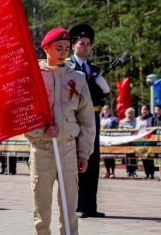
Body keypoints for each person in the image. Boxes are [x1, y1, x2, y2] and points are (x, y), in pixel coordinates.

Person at [25, 28, 95, 235]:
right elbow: (22, 114)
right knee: (42, 207)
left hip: (67, 149)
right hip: (42, 149)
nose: (63, 52)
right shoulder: (33, 76)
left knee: (69, 206)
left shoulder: (78, 78)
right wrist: (40, 132)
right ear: (45, 48)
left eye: (66, 48)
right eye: (58, 48)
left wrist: (84, 153)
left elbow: (87, 119)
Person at [69, 24, 109, 218]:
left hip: (91, 118)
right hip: (73, 118)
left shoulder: (94, 69)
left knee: (92, 161)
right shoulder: (68, 67)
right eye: (81, 43)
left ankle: (90, 206)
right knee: (76, 161)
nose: (85, 47)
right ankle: (77, 206)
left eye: (87, 44)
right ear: (73, 46)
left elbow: (104, 94)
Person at [135, 104, 155, 179]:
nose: (144, 111)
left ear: (148, 110)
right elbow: (136, 129)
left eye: (146, 109)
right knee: (143, 157)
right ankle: (147, 174)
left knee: (149, 157)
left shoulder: (151, 118)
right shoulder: (138, 119)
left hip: (148, 140)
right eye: (143, 109)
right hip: (140, 140)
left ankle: (151, 174)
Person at [100, 105, 118, 178]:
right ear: (102, 111)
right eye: (105, 110)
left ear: (110, 111)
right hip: (103, 141)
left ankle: (112, 172)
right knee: (105, 157)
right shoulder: (100, 119)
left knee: (111, 157)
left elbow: (115, 128)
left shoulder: (113, 119)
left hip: (111, 140)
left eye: (107, 110)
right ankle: (107, 172)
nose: (106, 111)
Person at [119, 107, 137, 177]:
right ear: (125, 114)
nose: (130, 115)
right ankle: (128, 171)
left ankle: (134, 171)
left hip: (133, 142)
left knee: (133, 157)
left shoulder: (136, 121)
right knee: (126, 157)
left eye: (131, 113)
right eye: (128, 113)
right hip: (125, 142)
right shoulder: (122, 121)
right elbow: (119, 130)